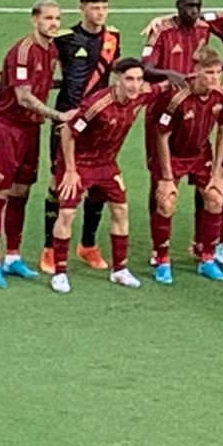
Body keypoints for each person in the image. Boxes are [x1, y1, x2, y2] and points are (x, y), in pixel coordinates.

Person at [0, 0, 70, 287]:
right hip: (7, 129)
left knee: (21, 192)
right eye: (48, 18)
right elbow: (23, 95)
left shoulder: (52, 50)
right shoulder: (23, 51)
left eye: (57, 18)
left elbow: (37, 83)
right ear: (34, 19)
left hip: (31, 128)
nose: (53, 23)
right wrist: (58, 114)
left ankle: (13, 257)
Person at [40, 0, 123, 273]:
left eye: (103, 7)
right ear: (82, 9)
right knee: (58, 182)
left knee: (98, 185)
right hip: (66, 118)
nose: (100, 13)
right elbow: (45, 69)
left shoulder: (113, 37)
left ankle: (88, 245)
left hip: (98, 121)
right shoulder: (64, 39)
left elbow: (116, 75)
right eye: (95, 8)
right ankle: (50, 248)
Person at [51, 59, 153, 294]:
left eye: (139, 79)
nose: (135, 85)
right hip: (80, 163)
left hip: (107, 164)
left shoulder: (140, 97)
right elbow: (67, 131)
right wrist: (69, 170)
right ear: (118, 79)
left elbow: (166, 85)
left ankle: (120, 270)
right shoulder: (97, 105)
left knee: (120, 210)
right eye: (129, 79)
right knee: (67, 213)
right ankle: (60, 273)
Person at [147, 48, 223, 284]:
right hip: (172, 155)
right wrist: (166, 177)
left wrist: (217, 173)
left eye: (217, 73)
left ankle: (207, 258)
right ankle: (162, 261)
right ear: (195, 72)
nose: (214, 78)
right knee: (166, 203)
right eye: (208, 73)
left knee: (216, 198)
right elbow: (161, 136)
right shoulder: (177, 98)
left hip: (200, 154)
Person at [139, 0, 213, 78]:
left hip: (193, 90)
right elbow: (145, 68)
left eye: (198, 6)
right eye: (190, 6)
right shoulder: (160, 31)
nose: (195, 11)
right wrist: (169, 74)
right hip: (168, 90)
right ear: (178, 5)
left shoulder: (204, 29)